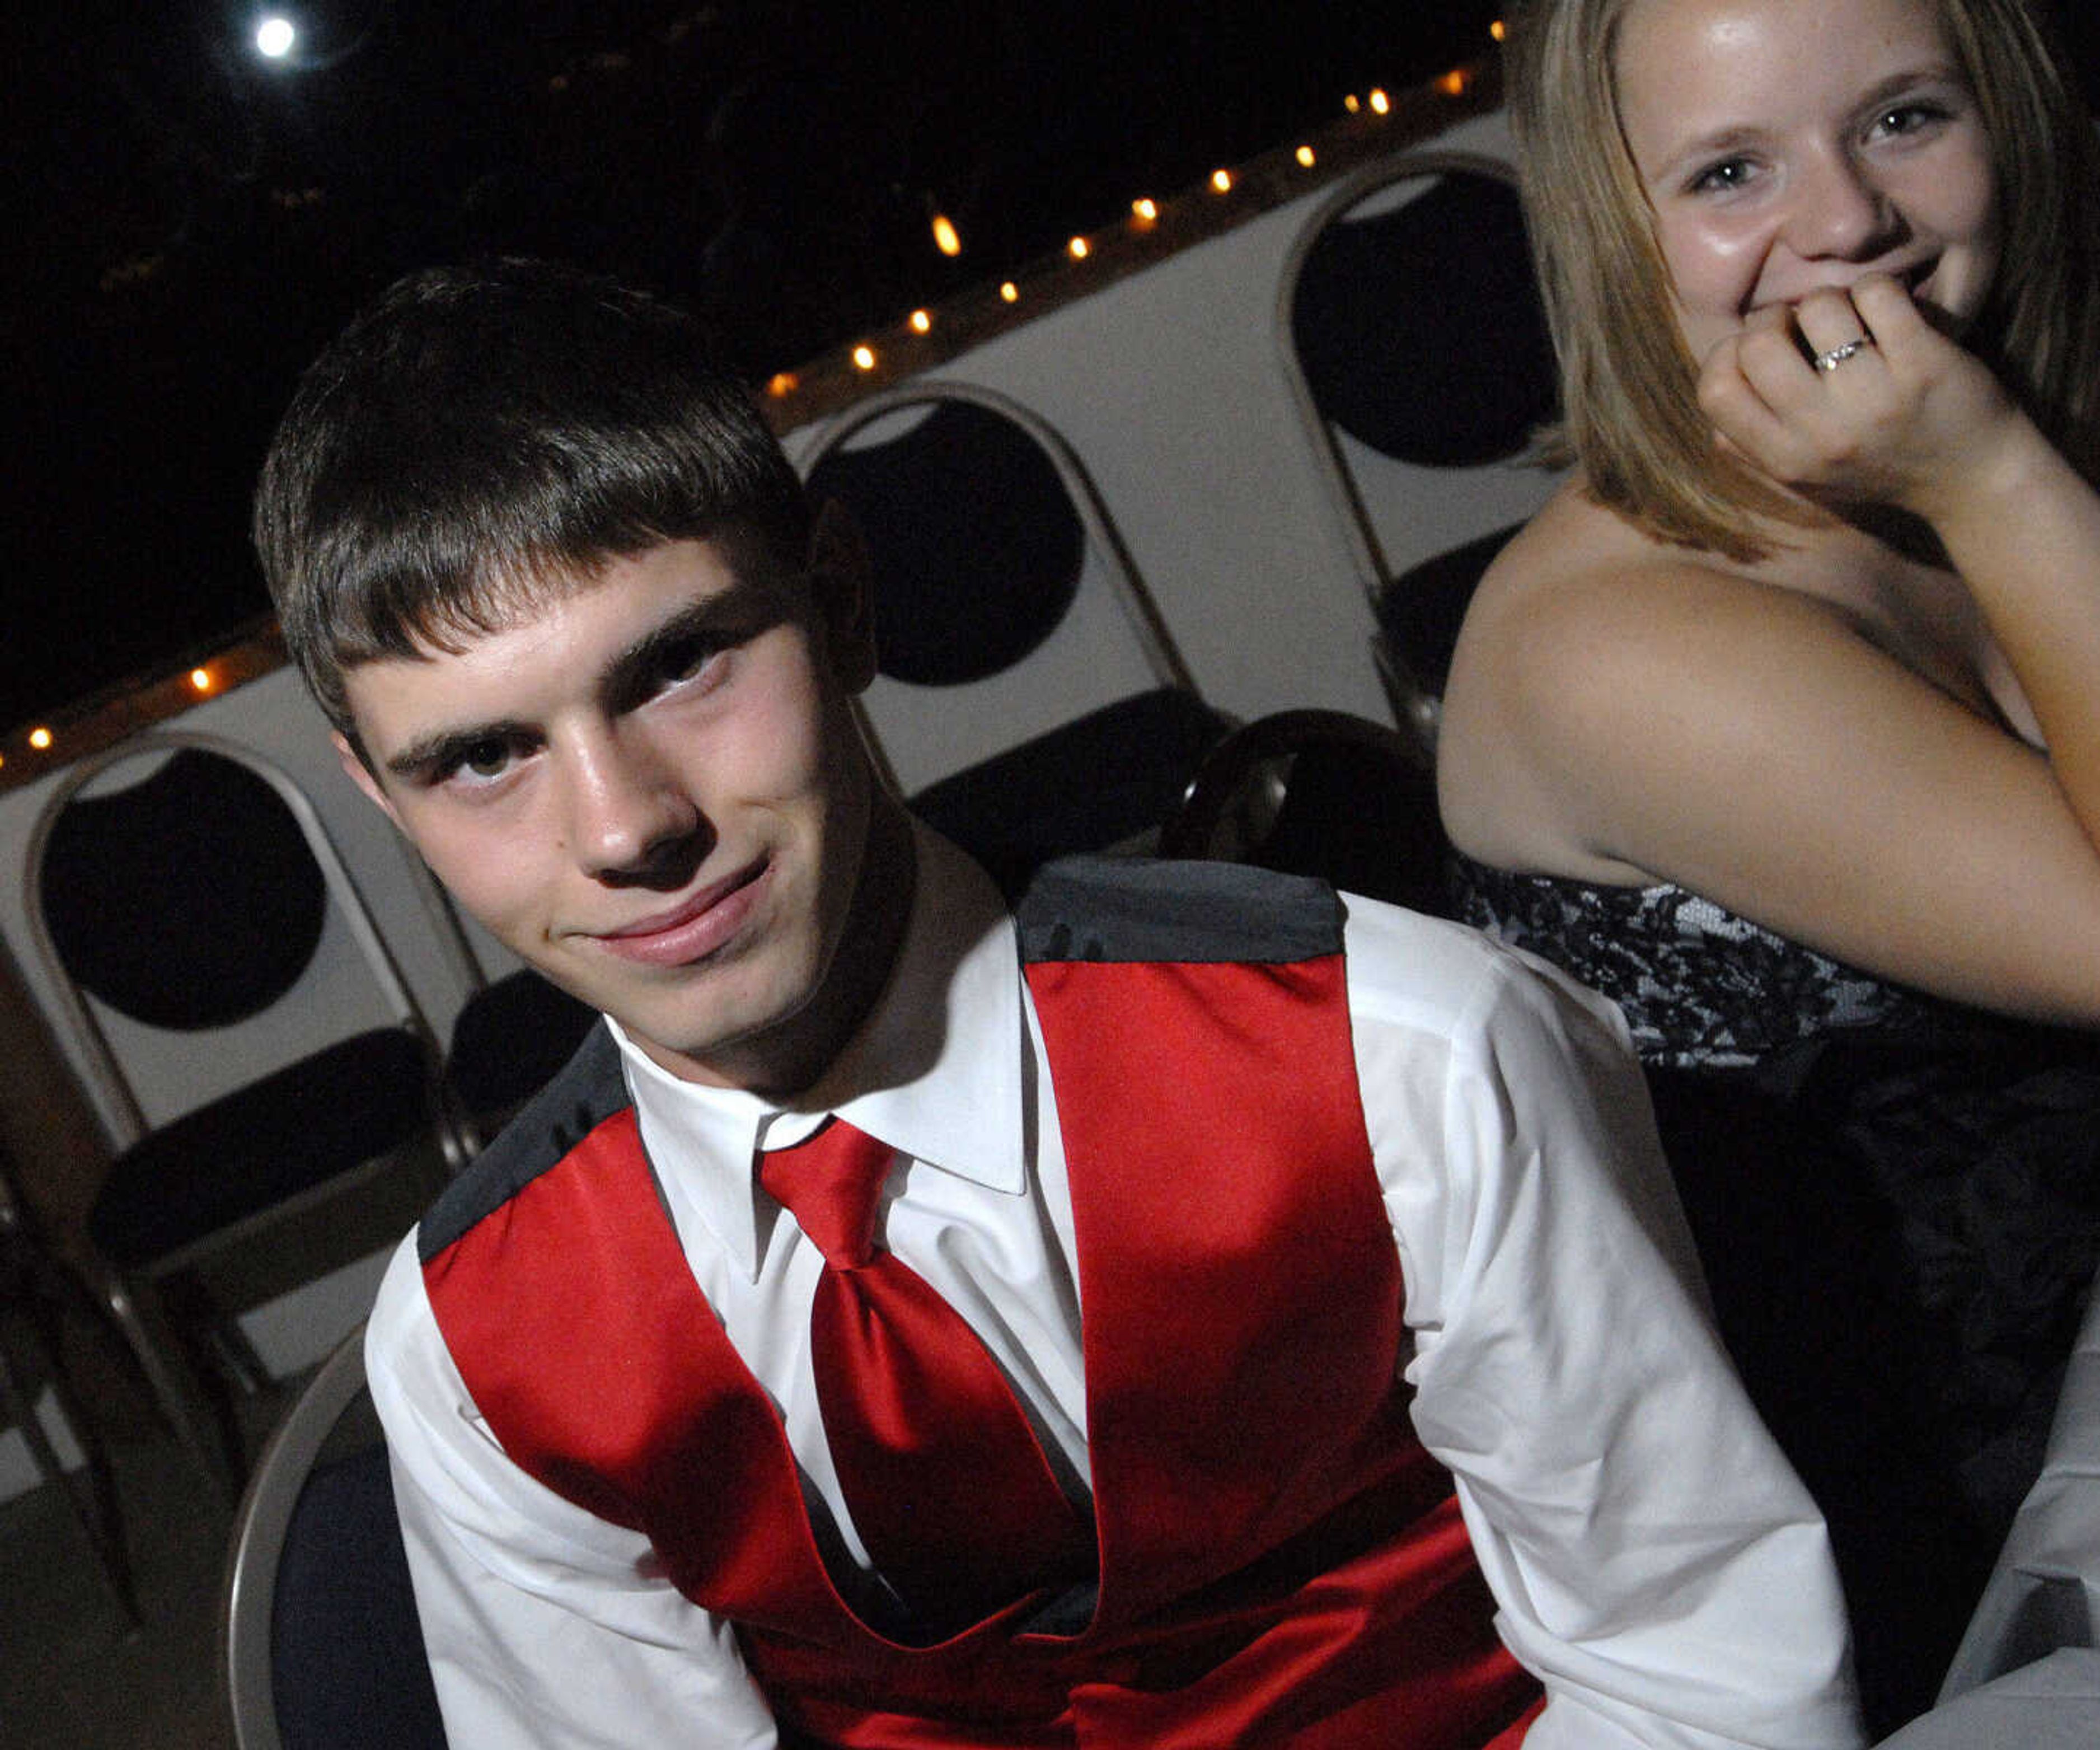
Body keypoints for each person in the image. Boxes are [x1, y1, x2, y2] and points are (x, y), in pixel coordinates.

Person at [252, 258, 1861, 1748]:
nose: (623, 830)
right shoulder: (478, 1348)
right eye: (481, 758)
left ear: (841, 601)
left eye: (680, 665)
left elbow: (1705, 1679)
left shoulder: (1400, 1057)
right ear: (386, 808)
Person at [1437, 0, 2100, 1727]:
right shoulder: (1622, 649)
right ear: (1619, 234)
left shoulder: (2066, 394)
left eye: (1907, 117)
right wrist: (1988, 480)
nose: (1844, 225)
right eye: (1731, 169)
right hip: (1975, 1541)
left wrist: (2000, 460)